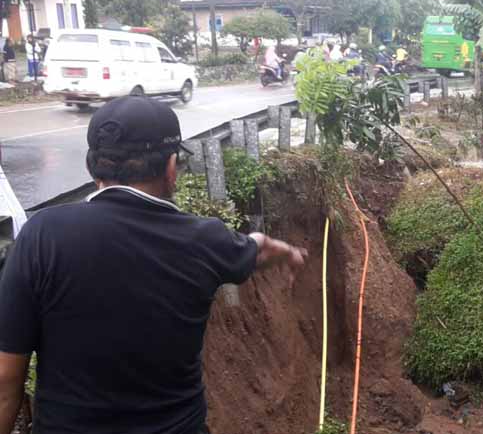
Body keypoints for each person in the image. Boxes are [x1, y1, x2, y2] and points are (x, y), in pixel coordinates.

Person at [0, 97, 307, 434]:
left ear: (93, 167)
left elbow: (5, 379)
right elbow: (257, 249)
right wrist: (289, 252)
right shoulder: (205, 240)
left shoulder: (42, 236)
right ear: (172, 166)